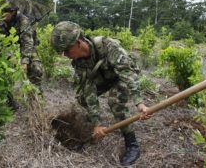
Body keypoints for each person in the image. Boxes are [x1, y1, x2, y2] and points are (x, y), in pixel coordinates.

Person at [51, 21, 151, 166]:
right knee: (82, 98)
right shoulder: (78, 61)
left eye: (66, 50)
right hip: (104, 77)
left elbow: (127, 74)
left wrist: (139, 103)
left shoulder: (108, 46)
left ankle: (132, 143)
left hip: (121, 75)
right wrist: (97, 123)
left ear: (79, 43)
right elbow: (88, 89)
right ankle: (94, 120)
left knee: (115, 102)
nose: (65, 55)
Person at [0, 0, 43, 110]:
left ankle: (36, 100)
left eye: (5, 12)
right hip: (7, 47)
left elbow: (28, 43)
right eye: (1, 11)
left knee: (36, 68)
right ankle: (10, 101)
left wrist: (24, 62)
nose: (2, 14)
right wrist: (9, 56)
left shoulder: (23, 21)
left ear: (13, 11)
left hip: (27, 46)